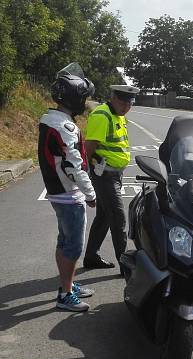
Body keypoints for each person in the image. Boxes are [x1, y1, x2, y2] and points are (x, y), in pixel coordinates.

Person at [38, 65, 97, 312]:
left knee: (64, 241)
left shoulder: (50, 119)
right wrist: (91, 193)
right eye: (83, 97)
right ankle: (65, 294)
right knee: (73, 245)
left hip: (57, 192)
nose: (84, 101)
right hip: (68, 194)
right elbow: (74, 167)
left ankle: (68, 283)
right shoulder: (65, 128)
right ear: (75, 99)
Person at [82, 84, 140, 271]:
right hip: (104, 175)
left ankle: (91, 257)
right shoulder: (103, 114)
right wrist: (88, 173)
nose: (126, 107)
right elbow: (89, 147)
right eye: (122, 102)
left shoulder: (118, 115)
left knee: (104, 217)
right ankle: (126, 267)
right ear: (114, 97)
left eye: (129, 104)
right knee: (118, 218)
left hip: (115, 173)